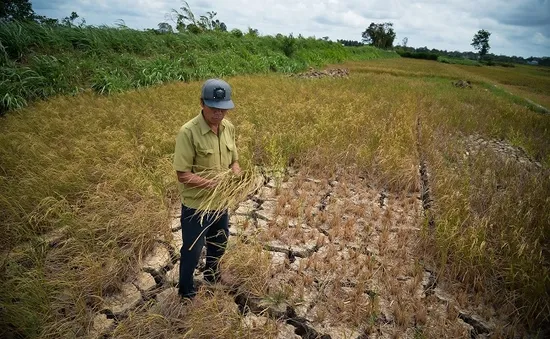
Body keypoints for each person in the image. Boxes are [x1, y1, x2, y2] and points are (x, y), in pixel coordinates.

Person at [173, 78, 241, 299]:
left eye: (223, 109)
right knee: (192, 250)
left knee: (219, 240)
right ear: (201, 103)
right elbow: (183, 175)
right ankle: (186, 291)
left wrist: (237, 173)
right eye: (213, 108)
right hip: (197, 205)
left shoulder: (228, 128)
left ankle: (212, 275)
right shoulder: (188, 132)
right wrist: (212, 184)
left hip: (220, 203)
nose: (219, 114)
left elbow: (234, 160)